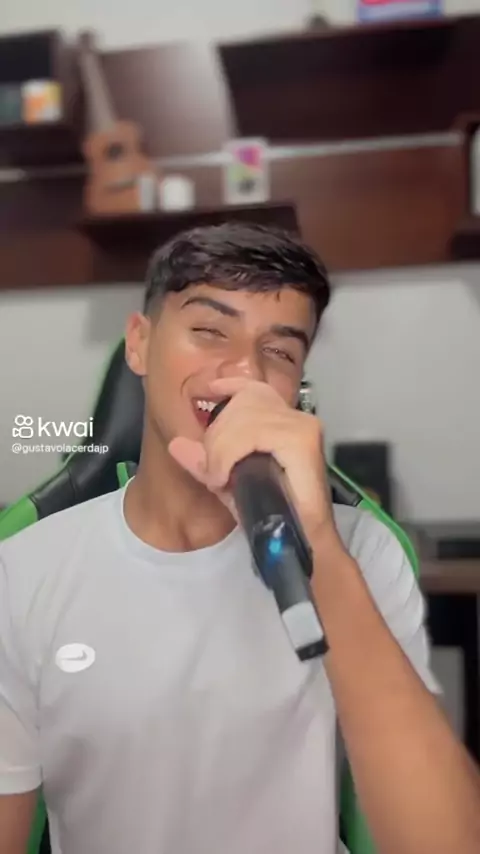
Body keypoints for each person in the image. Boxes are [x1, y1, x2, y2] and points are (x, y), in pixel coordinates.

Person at [0, 222, 479, 854]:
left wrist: (318, 544)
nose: (245, 370)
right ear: (140, 344)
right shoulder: (25, 570)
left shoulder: (361, 550)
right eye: (209, 331)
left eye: (278, 351)